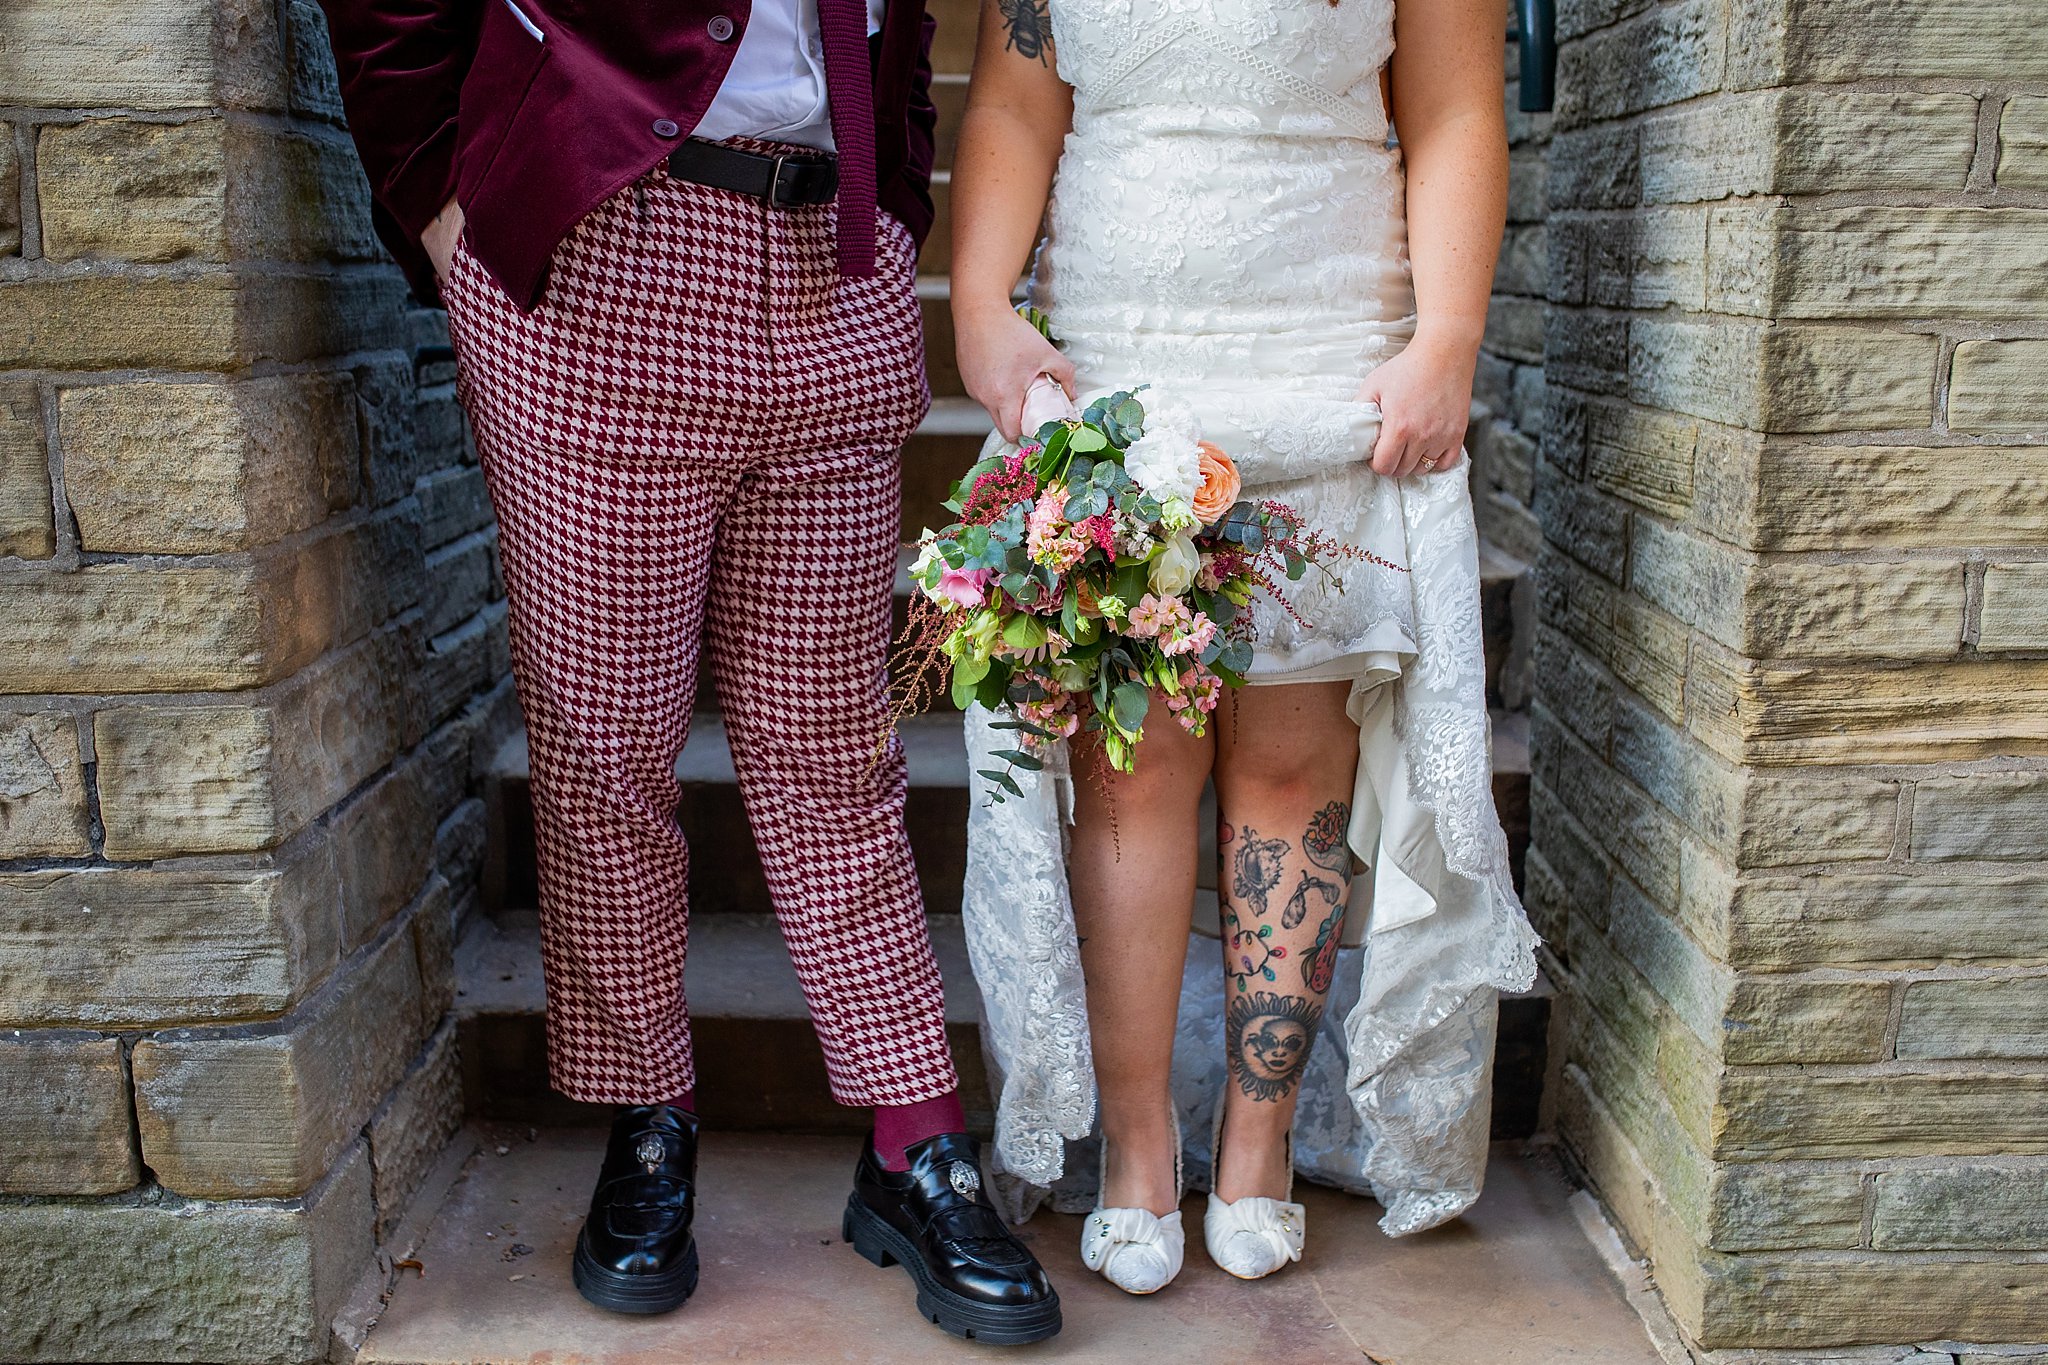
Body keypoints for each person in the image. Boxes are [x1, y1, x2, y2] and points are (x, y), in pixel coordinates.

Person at [317, 0, 1061, 1343]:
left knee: (837, 742)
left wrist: (893, 212)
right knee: (606, 743)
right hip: (603, 259)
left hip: (833, 271)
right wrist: (442, 205)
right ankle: (647, 1113)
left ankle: (913, 1138)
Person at [949, 0, 1540, 1294]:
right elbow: (1012, 99)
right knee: (1131, 767)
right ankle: (1140, 1151)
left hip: (1325, 374)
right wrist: (982, 302)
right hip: (1119, 373)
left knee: (1289, 770)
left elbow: (1449, 102)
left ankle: (1259, 1145)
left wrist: (1449, 333)